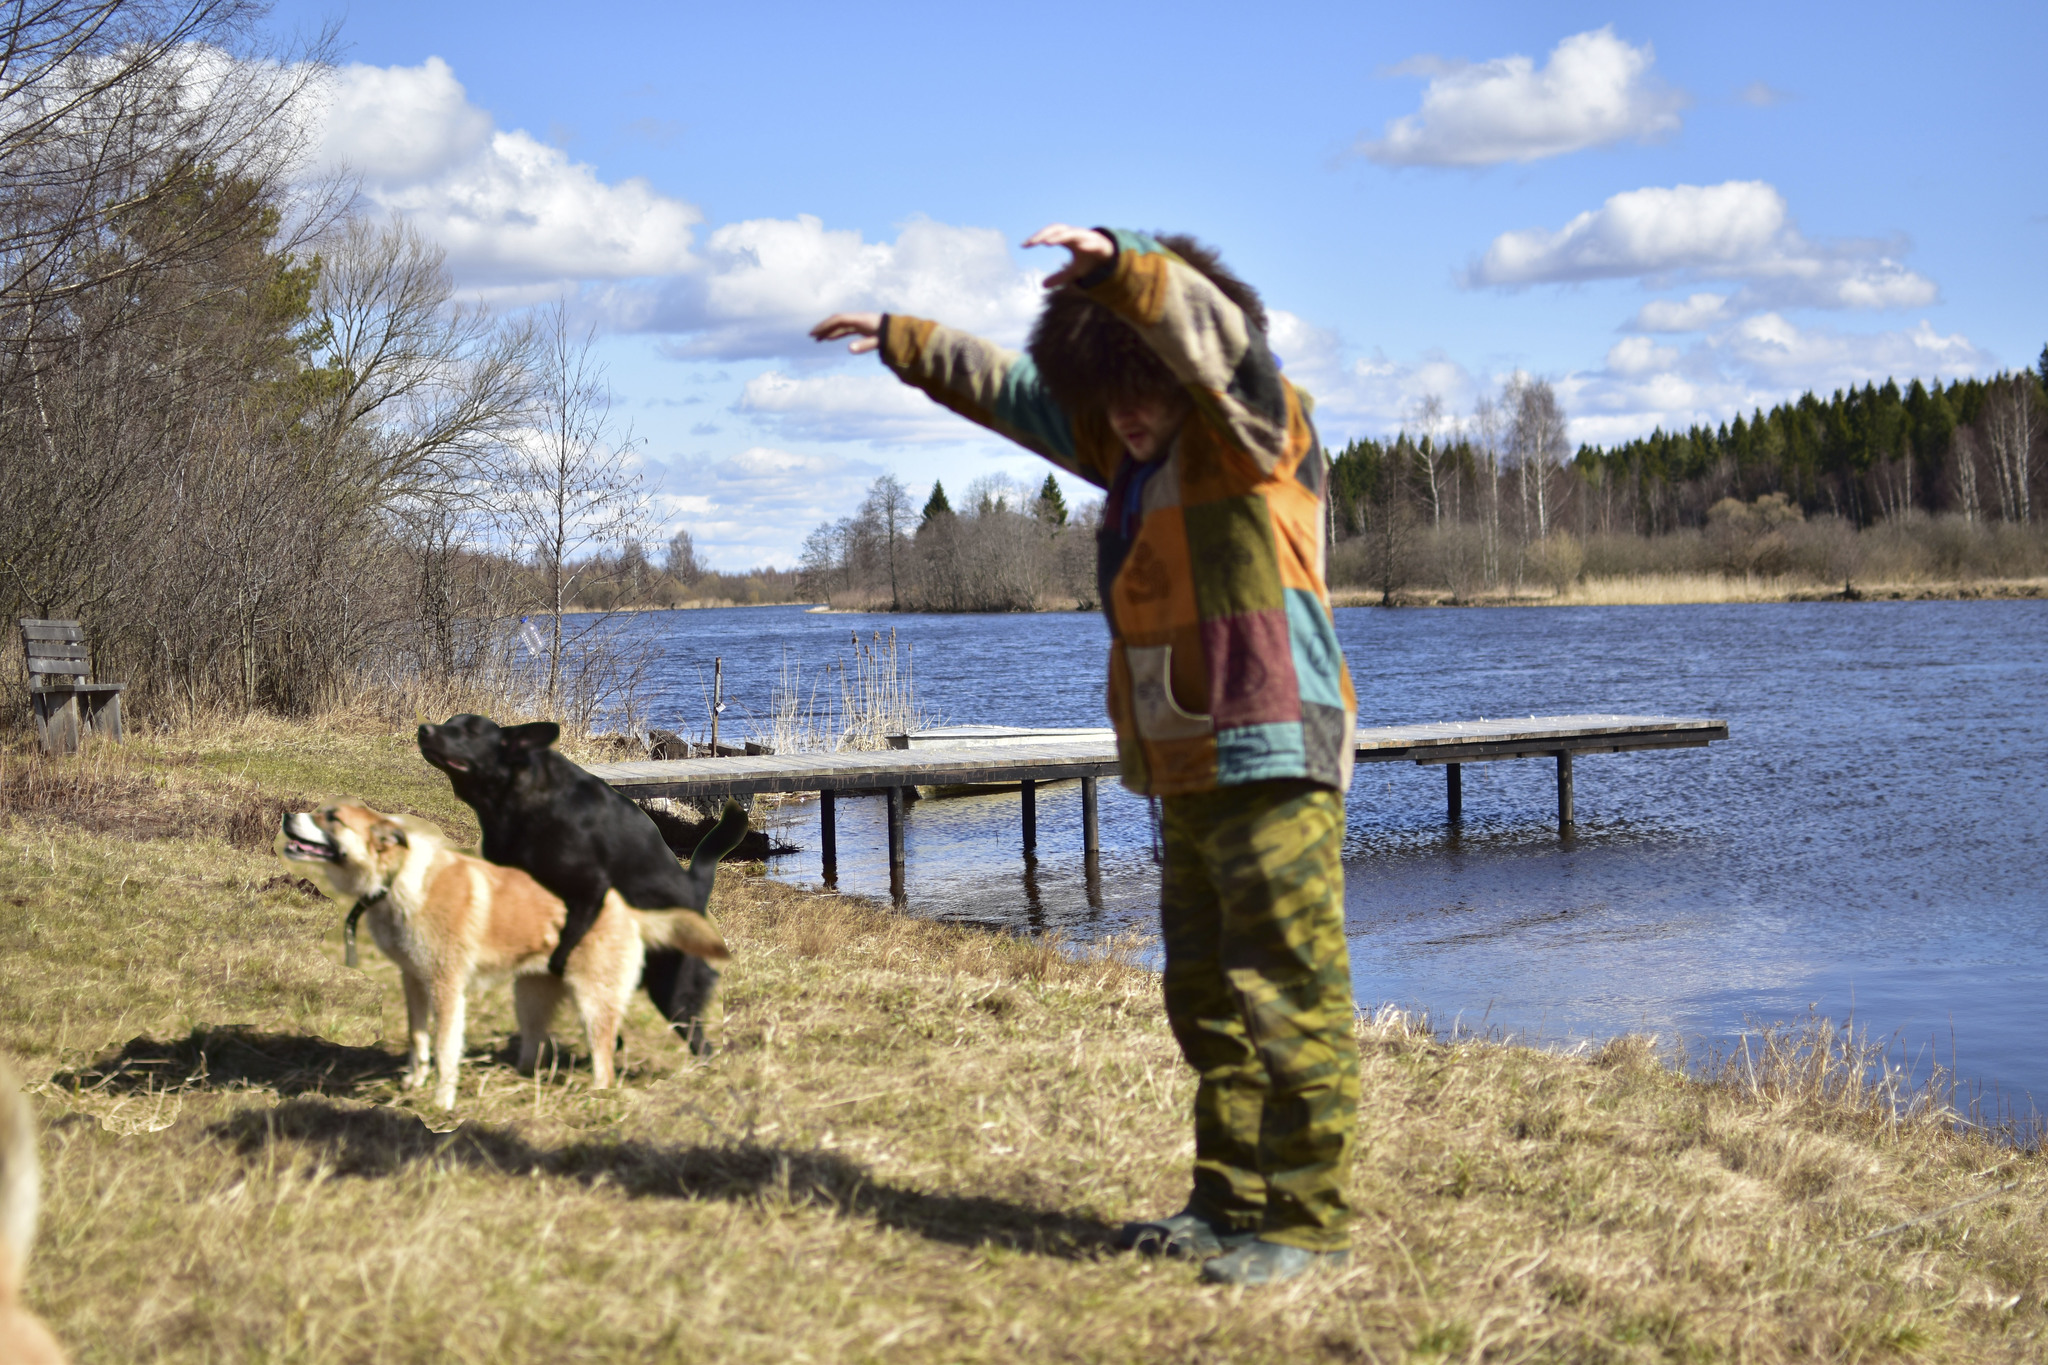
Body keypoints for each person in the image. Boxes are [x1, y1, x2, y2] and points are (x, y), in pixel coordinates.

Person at [811, 224, 1360, 1286]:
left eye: (1138, 389)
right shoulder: (1126, 454)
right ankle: (1226, 1205)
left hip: (1276, 758)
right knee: (1204, 1001)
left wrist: (1123, 267)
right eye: (1103, 398)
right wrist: (900, 339)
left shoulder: (1256, 429)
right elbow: (1018, 392)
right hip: (1186, 767)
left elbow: (1217, 338)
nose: (1122, 416)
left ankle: (1303, 1221)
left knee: (1286, 992)